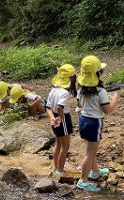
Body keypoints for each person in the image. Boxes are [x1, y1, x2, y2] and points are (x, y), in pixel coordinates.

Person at [76, 55, 118, 192]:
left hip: (83, 120)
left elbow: (79, 104)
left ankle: (95, 171)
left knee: (90, 150)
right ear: (98, 74)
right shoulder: (101, 91)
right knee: (89, 153)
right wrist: (115, 100)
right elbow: (107, 110)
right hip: (94, 123)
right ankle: (83, 181)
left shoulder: (80, 89)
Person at [45, 64, 77, 177]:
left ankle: (56, 168)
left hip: (54, 117)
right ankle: (59, 171)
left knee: (57, 144)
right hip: (62, 119)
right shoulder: (64, 93)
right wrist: (61, 118)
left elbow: (47, 107)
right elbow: (59, 107)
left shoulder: (53, 90)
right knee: (65, 146)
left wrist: (52, 118)